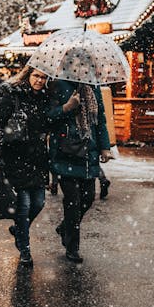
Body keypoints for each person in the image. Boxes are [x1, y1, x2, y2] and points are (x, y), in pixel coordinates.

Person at [47, 80, 112, 263]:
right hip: (65, 152)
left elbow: (100, 120)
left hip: (88, 154)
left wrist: (105, 147)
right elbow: (49, 117)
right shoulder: (58, 85)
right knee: (72, 202)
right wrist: (67, 108)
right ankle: (72, 247)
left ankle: (64, 228)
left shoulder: (94, 88)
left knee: (88, 197)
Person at [0, 66, 50, 267]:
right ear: (28, 75)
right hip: (15, 157)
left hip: (38, 158)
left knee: (39, 203)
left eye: (43, 77)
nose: (39, 80)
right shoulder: (14, 95)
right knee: (23, 206)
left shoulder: (45, 98)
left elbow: (49, 124)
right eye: (36, 76)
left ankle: (18, 229)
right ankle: (24, 249)